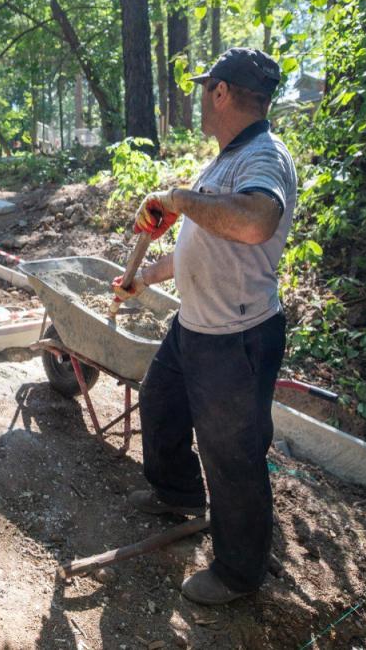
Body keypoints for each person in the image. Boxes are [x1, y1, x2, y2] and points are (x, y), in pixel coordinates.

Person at [112, 48, 297, 605]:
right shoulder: (224, 160)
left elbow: (257, 220)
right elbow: (204, 244)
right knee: (161, 404)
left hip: (236, 338)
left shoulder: (264, 158)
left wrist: (179, 197)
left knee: (233, 456)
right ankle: (180, 492)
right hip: (194, 324)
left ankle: (239, 574)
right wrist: (147, 275)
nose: (198, 100)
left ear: (221, 93)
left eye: (203, 90)